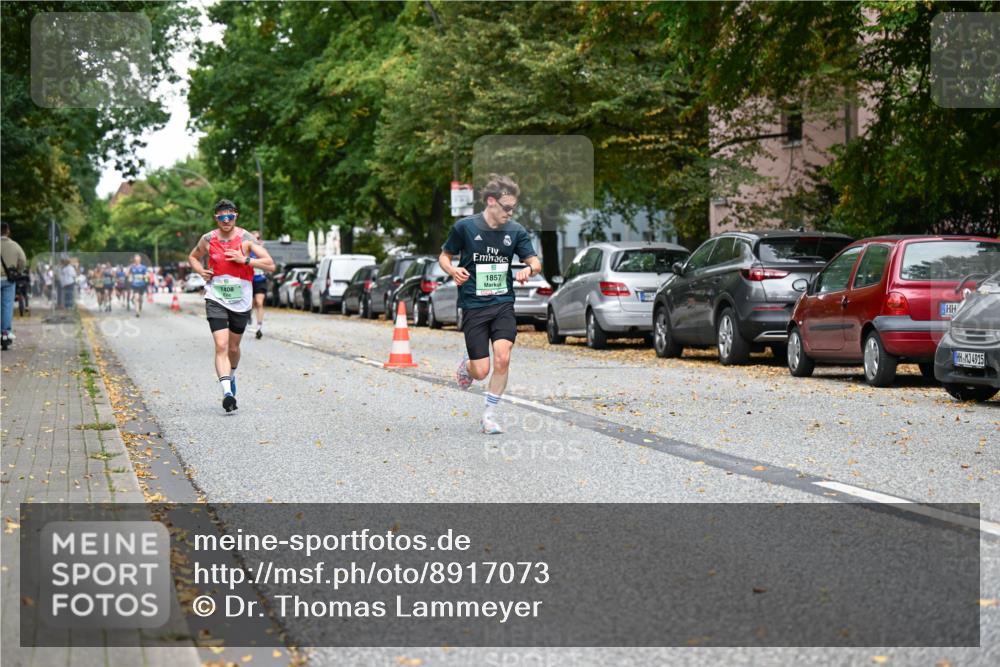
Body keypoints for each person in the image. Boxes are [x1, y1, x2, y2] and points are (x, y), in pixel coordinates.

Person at [438, 174, 542, 434]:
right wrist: (452, 270)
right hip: (474, 305)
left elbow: (535, 262)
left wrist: (528, 270)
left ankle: (489, 416)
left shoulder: (516, 231)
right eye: (507, 207)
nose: (510, 213)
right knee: (481, 371)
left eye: (513, 208)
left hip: (503, 302)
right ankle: (468, 366)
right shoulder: (465, 227)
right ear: (491, 201)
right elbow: (444, 256)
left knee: (503, 358)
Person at [188, 199, 275, 413]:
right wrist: (200, 271)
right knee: (221, 345)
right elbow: (193, 257)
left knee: (234, 348)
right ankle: (227, 393)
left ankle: (232, 375)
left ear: (236, 216)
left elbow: (270, 265)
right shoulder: (208, 239)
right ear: (216, 218)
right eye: (222, 217)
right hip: (215, 297)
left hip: (241, 300)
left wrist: (245, 260)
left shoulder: (246, 238)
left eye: (230, 216)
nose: (226, 220)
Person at [1, 221, 28, 350]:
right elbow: (23, 261)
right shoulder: (15, 246)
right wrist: (18, 271)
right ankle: (5, 333)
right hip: (8, 280)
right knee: (7, 306)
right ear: (8, 231)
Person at [250, 230, 267, 339]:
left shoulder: (262, 251)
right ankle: (248, 315)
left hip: (260, 280)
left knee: (259, 303)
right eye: (254, 238)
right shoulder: (247, 250)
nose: (256, 240)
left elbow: (269, 264)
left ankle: (259, 328)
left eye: (258, 238)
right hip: (248, 281)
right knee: (250, 304)